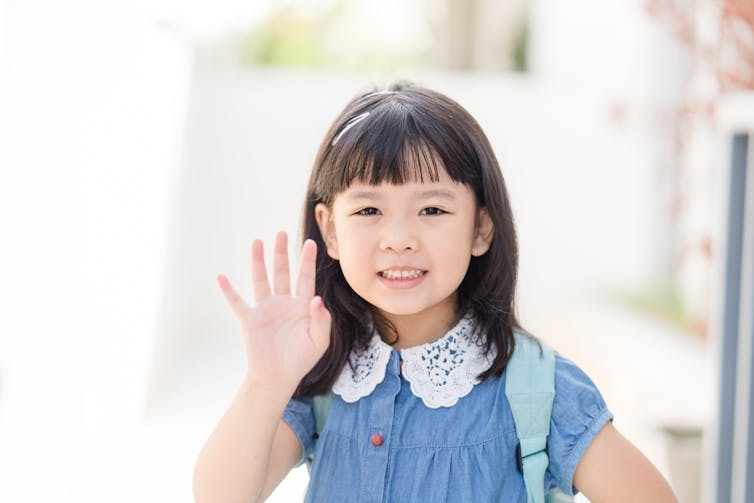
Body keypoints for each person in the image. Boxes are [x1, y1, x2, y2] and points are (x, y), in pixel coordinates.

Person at [192, 82, 678, 503]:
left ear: (481, 228)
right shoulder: (325, 372)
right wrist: (265, 383)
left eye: (431, 210)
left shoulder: (538, 389)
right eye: (368, 211)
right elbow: (221, 496)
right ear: (331, 231)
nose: (399, 237)